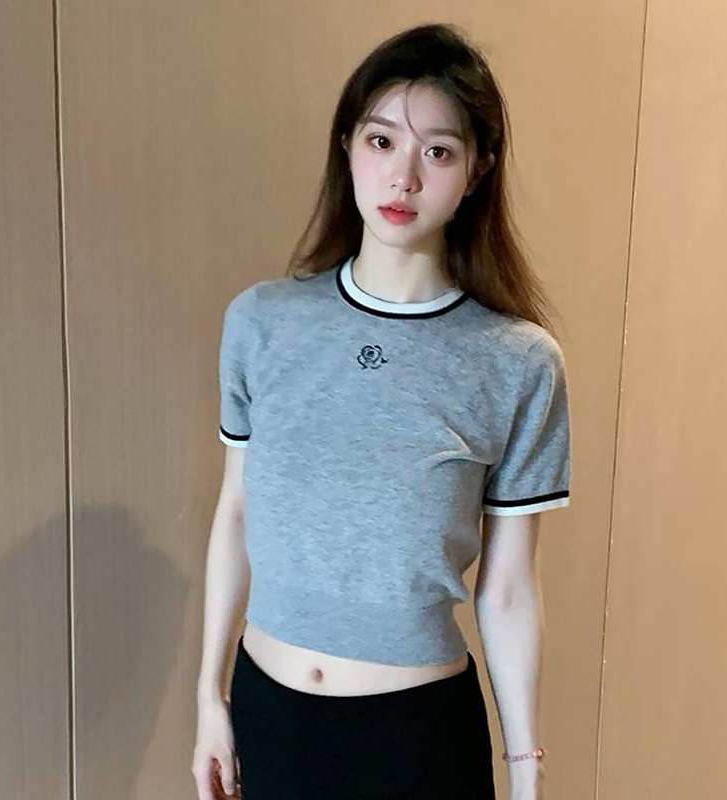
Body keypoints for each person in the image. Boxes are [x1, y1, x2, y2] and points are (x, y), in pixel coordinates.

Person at [193, 22, 572, 800]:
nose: (403, 177)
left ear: (477, 170)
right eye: (381, 140)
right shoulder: (263, 322)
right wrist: (210, 694)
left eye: (438, 151)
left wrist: (525, 770)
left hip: (416, 742)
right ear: (346, 145)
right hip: (270, 720)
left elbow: (508, 589)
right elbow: (236, 511)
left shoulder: (518, 362)